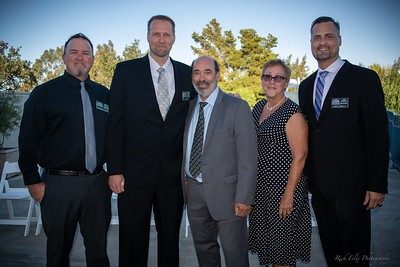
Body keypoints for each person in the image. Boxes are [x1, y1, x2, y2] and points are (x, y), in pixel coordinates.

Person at [298, 16, 389, 266]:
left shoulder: (363, 79)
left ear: (340, 40)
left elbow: (378, 134)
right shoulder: (306, 86)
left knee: (355, 255)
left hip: (354, 188)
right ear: (311, 43)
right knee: (332, 252)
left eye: (329, 36)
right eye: (317, 37)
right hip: (320, 188)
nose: (323, 42)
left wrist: (377, 184)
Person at [107, 15, 196, 266]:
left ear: (174, 38)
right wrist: (114, 169)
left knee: (170, 238)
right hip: (133, 174)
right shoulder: (125, 71)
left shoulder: (186, 72)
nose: (161, 39)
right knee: (132, 237)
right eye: (156, 34)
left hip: (172, 176)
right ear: (147, 36)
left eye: (167, 34)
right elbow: (115, 123)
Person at [18, 33, 111, 266]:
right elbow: (28, 139)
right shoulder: (44, 94)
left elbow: (115, 136)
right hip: (58, 186)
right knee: (58, 254)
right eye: (74, 52)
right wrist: (32, 181)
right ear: (63, 57)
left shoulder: (104, 95)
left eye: (85, 53)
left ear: (93, 59)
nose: (80, 57)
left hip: (97, 184)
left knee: (98, 252)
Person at [182, 56, 258, 267]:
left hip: (229, 196)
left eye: (207, 72)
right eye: (197, 73)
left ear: (217, 75)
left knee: (235, 256)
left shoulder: (237, 107)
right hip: (194, 193)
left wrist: (244, 198)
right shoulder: (189, 109)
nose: (202, 78)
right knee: (205, 252)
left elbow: (248, 158)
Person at [248, 59, 311, 267]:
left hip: (283, 191)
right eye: (267, 76)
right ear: (262, 80)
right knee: (269, 248)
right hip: (262, 191)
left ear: (286, 83)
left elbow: (300, 156)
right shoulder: (258, 108)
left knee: (281, 253)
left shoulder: (292, 114)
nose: (272, 81)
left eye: (279, 77)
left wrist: (288, 195)